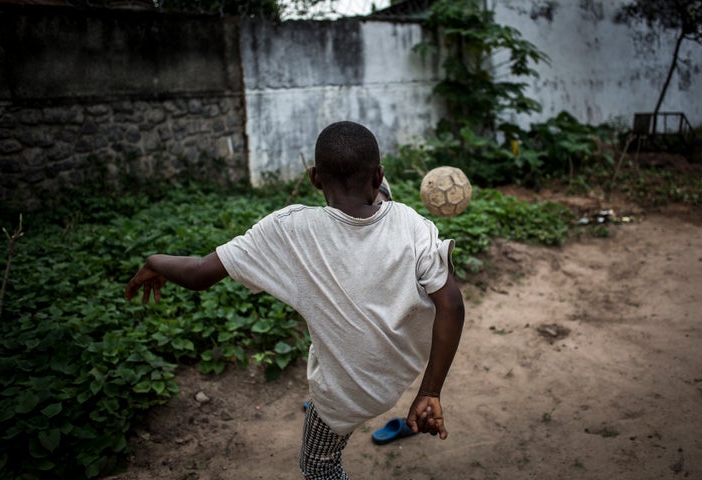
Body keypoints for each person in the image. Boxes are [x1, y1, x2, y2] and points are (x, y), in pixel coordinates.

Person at [125, 121, 465, 479]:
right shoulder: (412, 224)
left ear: (315, 178)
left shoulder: (288, 230)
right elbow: (452, 305)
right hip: (401, 368)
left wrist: (154, 261)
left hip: (346, 392)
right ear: (378, 174)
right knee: (380, 203)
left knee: (318, 464)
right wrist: (430, 391)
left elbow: (199, 273)